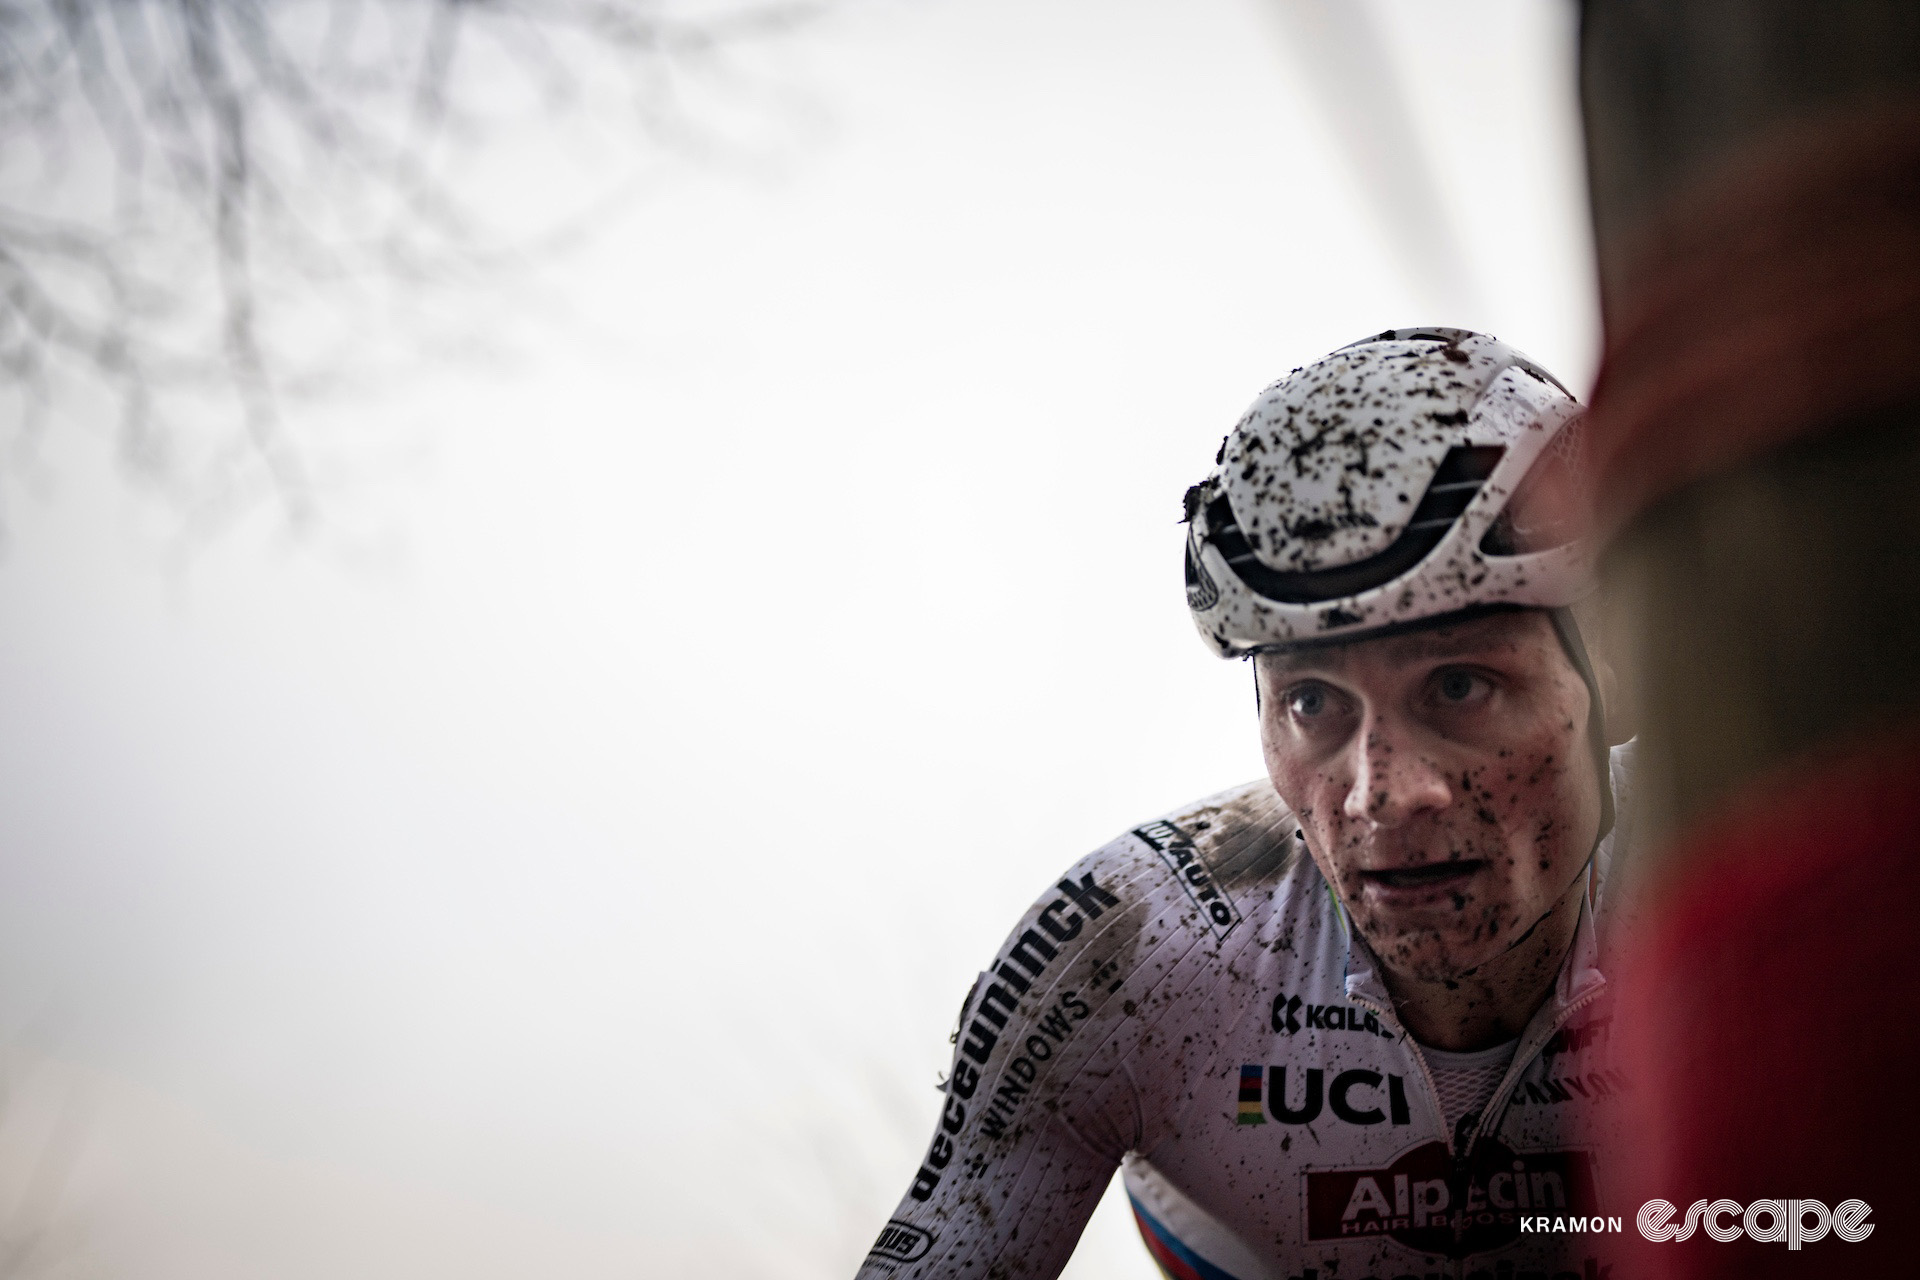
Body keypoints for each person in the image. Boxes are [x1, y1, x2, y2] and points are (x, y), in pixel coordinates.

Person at [857, 329, 1634, 1280]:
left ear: (1613, 670)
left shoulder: (1752, 871)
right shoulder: (1133, 948)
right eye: (1312, 704)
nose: (1380, 794)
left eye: (1459, 687)